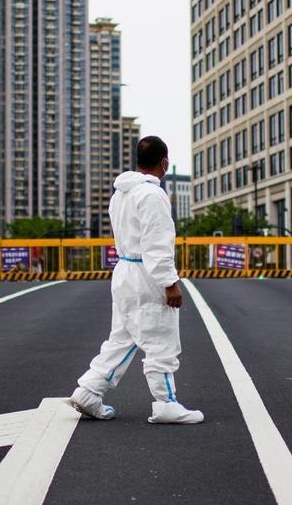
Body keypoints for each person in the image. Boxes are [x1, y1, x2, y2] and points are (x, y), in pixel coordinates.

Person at [67, 136, 204, 424]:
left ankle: (89, 390)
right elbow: (157, 244)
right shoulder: (153, 196)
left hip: (124, 271)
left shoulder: (121, 194)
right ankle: (166, 403)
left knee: (124, 336)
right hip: (146, 274)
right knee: (160, 338)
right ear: (164, 162)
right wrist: (170, 282)